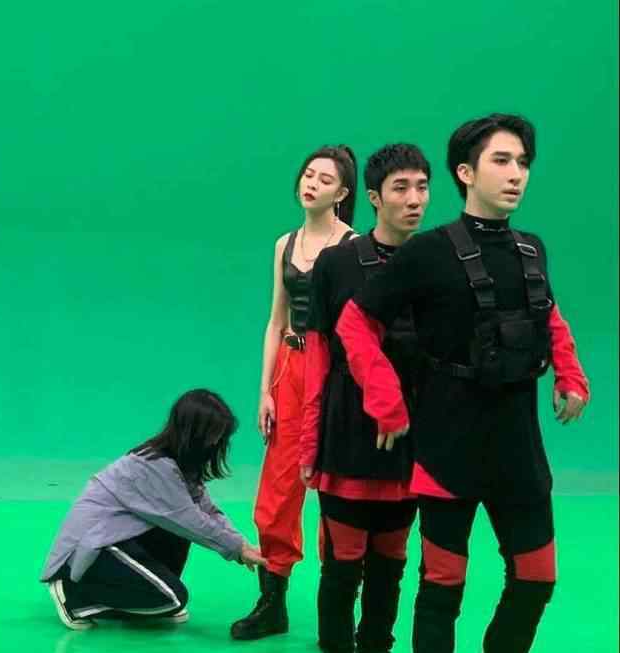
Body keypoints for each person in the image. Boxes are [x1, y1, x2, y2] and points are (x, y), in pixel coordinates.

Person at [335, 114, 590, 653]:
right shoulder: (426, 252)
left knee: (537, 578)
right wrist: (386, 399)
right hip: (446, 450)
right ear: (466, 173)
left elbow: (548, 314)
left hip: (519, 450)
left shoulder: (531, 249)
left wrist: (569, 374)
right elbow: (355, 323)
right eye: (502, 160)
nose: (516, 173)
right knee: (442, 587)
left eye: (523, 162)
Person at [300, 143, 431, 653]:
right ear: (374, 198)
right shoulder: (336, 264)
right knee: (341, 569)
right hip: (346, 437)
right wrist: (309, 445)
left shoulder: (437, 263)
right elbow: (317, 359)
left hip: (410, 443)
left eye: (422, 187)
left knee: (390, 568)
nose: (414, 199)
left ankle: (377, 643)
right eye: (401, 188)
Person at [230, 145, 357, 641]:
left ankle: (337, 606)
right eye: (308, 175)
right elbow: (275, 320)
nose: (312, 184)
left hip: (335, 373)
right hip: (289, 368)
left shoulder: (354, 247)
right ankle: (272, 602)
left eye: (324, 179)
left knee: (335, 486)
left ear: (342, 193)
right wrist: (265, 390)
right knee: (278, 490)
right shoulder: (285, 244)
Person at [41, 388, 266, 630]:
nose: (216, 442)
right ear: (192, 432)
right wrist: (236, 550)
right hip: (88, 549)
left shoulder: (181, 464)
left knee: (175, 548)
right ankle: (73, 595)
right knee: (174, 599)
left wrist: (242, 545)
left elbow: (207, 511)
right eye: (213, 434)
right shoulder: (154, 466)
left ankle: (146, 597)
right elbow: (190, 519)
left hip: (116, 536)